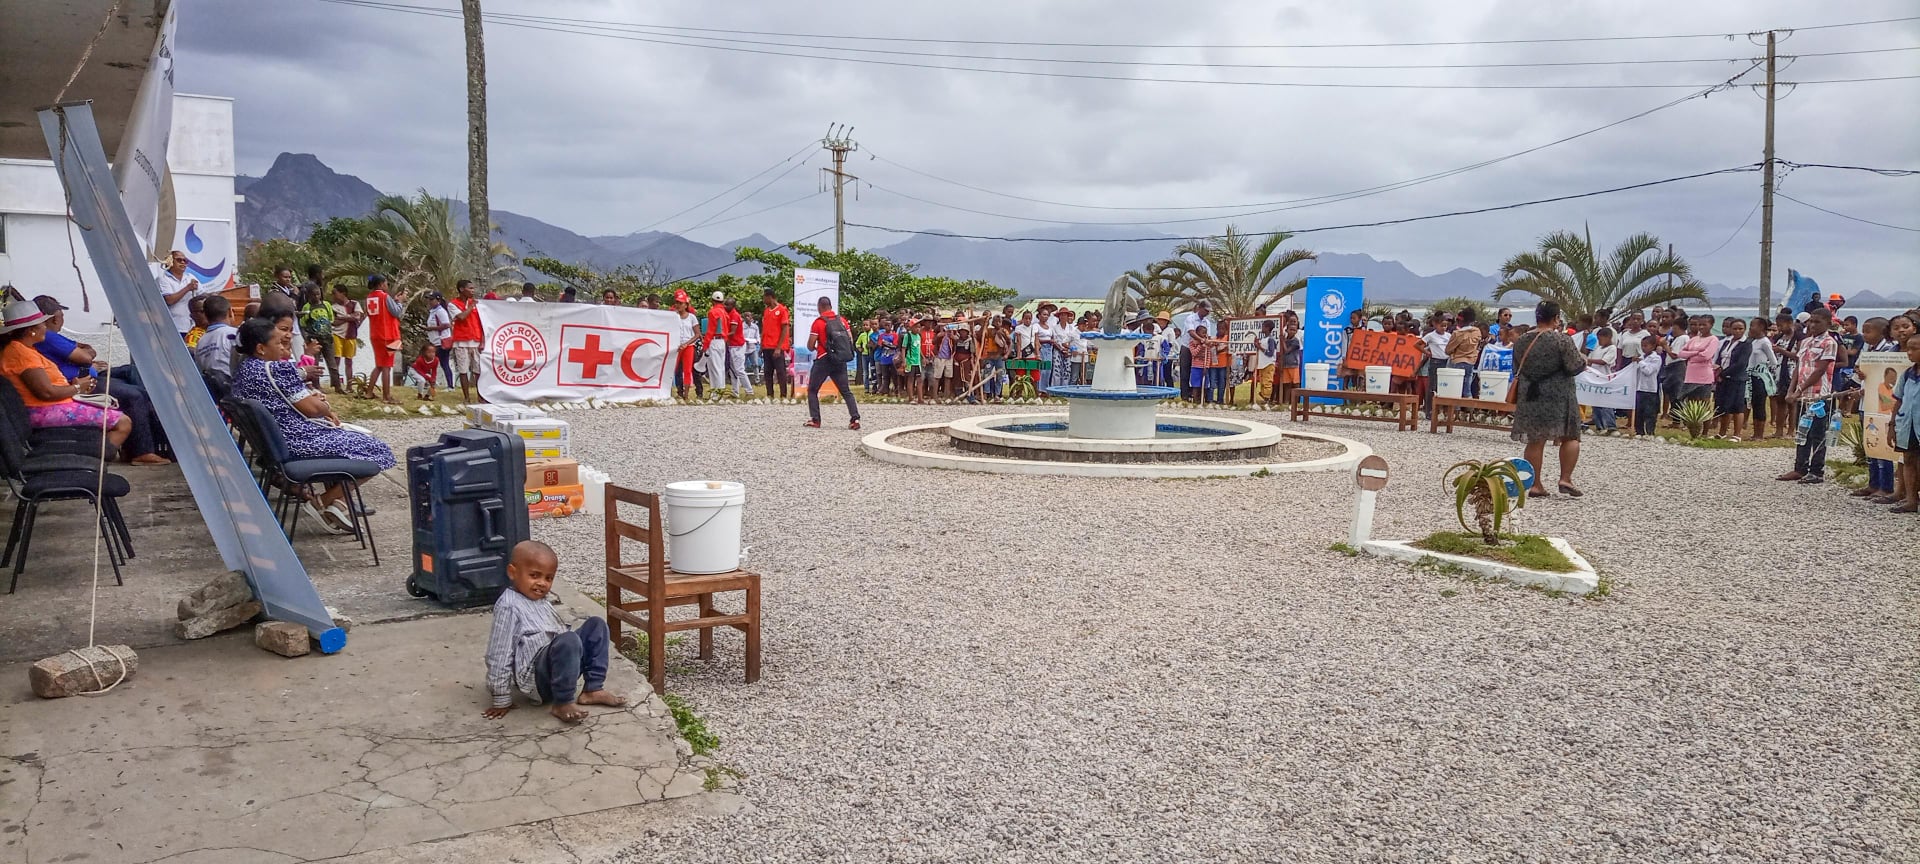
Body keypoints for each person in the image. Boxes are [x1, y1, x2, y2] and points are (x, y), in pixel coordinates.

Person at [231, 313, 396, 532]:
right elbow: (311, 409)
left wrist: (313, 403)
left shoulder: (245, 370)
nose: (283, 346)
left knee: (359, 441)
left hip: (276, 444)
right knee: (378, 450)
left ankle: (338, 504)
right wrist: (323, 405)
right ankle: (324, 501)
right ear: (261, 348)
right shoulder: (275, 369)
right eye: (278, 342)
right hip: (297, 442)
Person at [483, 540, 626, 724]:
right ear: (512, 572)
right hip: (537, 679)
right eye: (534, 575)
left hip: (560, 667)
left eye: (548, 578)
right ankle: (562, 702)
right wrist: (501, 697)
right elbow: (499, 653)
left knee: (596, 625)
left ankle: (592, 689)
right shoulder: (509, 606)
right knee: (568, 640)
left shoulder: (539, 599)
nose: (542, 583)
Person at [29, 295, 169, 464]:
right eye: (61, 316)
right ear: (52, 319)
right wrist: (87, 360)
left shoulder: (50, 336)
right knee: (134, 395)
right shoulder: (48, 336)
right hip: (77, 385)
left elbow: (85, 350)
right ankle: (141, 451)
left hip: (84, 379)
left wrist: (85, 355)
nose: (62, 320)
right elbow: (85, 357)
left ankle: (133, 449)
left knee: (134, 384)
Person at [2, 299, 135, 455]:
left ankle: (89, 461)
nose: (46, 327)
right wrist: (77, 388)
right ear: (31, 330)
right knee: (123, 423)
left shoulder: (23, 350)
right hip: (43, 410)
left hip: (49, 405)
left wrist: (75, 385)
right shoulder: (21, 354)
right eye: (42, 324)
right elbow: (46, 393)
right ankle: (91, 462)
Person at [1510, 300, 1586, 497]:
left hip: (1530, 395)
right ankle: (1565, 478)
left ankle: (1535, 484)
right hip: (1559, 395)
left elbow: (1517, 366)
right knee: (1570, 435)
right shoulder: (1562, 340)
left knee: (1535, 439)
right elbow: (1574, 366)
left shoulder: (1521, 341)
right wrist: (1584, 360)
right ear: (1555, 318)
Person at [1778, 307, 1841, 485]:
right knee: (1803, 431)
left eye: (1817, 322)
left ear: (1828, 323)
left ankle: (1816, 470)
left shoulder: (1829, 342)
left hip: (1820, 396)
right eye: (1811, 321)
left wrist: (1799, 390)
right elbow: (1799, 367)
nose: (1812, 325)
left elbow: (1820, 369)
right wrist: (1792, 390)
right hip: (1803, 395)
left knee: (1818, 433)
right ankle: (1800, 467)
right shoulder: (1805, 342)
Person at [803, 296, 861, 429]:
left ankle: (816, 420)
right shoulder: (842, 321)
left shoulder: (818, 322)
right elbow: (850, 339)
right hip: (839, 360)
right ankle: (855, 419)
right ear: (830, 306)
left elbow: (810, 345)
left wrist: (816, 347)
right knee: (846, 391)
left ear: (820, 307)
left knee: (813, 389)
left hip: (824, 359)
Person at [1886, 334, 1920, 513]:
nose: (1909, 352)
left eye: (1915, 349)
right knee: (1908, 459)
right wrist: (1892, 425)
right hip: (1907, 424)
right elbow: (1898, 400)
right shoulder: (1907, 374)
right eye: (1908, 348)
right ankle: (1911, 499)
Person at [363, 274, 407, 404]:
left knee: (379, 365)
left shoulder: (369, 298)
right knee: (387, 366)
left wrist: (394, 301)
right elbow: (396, 312)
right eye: (386, 283)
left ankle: (369, 392)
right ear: (381, 284)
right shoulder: (384, 296)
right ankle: (386, 396)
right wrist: (400, 301)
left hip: (375, 335)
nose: (387, 286)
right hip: (389, 335)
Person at [1711, 319, 1753, 440]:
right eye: (1735, 328)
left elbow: (1741, 363)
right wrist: (1718, 370)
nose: (1737, 331)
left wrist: (1723, 373)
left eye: (1740, 329)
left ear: (1745, 330)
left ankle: (1737, 434)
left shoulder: (1746, 344)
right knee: (1724, 406)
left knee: (1737, 407)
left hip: (1736, 378)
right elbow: (1720, 356)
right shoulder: (1726, 342)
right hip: (1723, 378)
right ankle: (1722, 433)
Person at [297, 281, 339, 393]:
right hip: (314, 339)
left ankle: (337, 385)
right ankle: (316, 385)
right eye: (314, 294)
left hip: (327, 338)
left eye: (318, 294)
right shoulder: (307, 307)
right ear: (309, 295)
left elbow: (331, 318)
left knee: (332, 363)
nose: (316, 296)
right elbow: (303, 323)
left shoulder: (326, 305)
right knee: (315, 363)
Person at [449, 279, 484, 403]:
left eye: (473, 288)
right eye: (470, 288)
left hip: (475, 340)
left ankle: (481, 396)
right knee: (463, 370)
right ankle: (467, 397)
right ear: (462, 289)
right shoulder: (453, 304)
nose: (473, 291)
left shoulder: (477, 304)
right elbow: (461, 317)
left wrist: (482, 341)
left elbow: (482, 323)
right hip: (461, 341)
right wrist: (471, 306)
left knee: (478, 370)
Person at [1745, 317, 1780, 441]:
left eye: (1752, 326)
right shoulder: (1754, 342)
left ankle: (1760, 433)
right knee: (1754, 403)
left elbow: (1773, 361)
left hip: (1760, 377)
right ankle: (1755, 432)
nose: (1750, 329)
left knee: (1760, 404)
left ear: (1761, 328)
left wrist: (1764, 370)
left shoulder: (1765, 342)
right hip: (1751, 376)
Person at [157, 249, 205, 339]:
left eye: (185, 261)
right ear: (170, 261)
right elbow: (169, 300)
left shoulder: (190, 277)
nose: (183, 263)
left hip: (190, 327)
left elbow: (202, 295)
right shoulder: (163, 279)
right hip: (173, 327)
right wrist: (188, 288)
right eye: (179, 260)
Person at [1673, 315, 1719, 406]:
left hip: (1704, 377)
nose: (1701, 327)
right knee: (1691, 402)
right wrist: (1696, 352)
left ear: (1711, 325)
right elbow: (1681, 353)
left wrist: (1690, 356)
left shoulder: (1713, 339)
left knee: (1704, 404)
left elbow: (1706, 356)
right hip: (1691, 375)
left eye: (1704, 325)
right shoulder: (1693, 339)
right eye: (1700, 324)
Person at [193, 295, 241, 380]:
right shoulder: (234, 334)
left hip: (211, 390)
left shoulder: (200, 343)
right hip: (233, 386)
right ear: (230, 312)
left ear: (206, 316)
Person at [329, 284, 363, 394]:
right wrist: (350, 317)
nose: (333, 296)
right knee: (337, 359)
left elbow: (358, 316)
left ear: (343, 293)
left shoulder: (354, 304)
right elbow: (333, 321)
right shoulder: (333, 307)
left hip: (351, 335)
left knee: (349, 361)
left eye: (335, 293)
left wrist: (342, 317)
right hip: (337, 335)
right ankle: (336, 385)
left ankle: (349, 385)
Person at [759, 288, 792, 399]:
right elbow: (765, 328)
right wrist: (761, 345)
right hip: (766, 346)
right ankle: (770, 394)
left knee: (780, 372)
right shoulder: (766, 310)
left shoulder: (782, 310)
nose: (763, 299)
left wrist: (779, 347)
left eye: (764, 297)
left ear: (770, 297)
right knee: (767, 372)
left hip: (776, 347)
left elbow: (785, 329)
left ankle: (783, 395)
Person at [1587, 327, 1620, 433]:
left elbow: (1604, 361)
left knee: (1606, 404)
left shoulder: (1612, 348)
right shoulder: (1597, 349)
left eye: (1601, 339)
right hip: (1595, 379)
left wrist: (1589, 360)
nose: (1600, 341)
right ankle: (1600, 426)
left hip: (1605, 378)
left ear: (1608, 337)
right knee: (1596, 404)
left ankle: (1610, 425)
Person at [701, 292, 734, 395]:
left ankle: (716, 393)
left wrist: (705, 344)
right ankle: (719, 391)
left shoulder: (713, 312)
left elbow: (711, 330)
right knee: (720, 367)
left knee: (714, 368)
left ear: (712, 301)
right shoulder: (725, 313)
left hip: (714, 341)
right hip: (722, 341)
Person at [1446, 307, 1483, 400]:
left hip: (1458, 361)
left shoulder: (1457, 333)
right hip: (1471, 362)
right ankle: (1470, 411)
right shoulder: (1477, 331)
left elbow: (1448, 350)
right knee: (1467, 388)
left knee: (1456, 389)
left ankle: (1456, 411)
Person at [1632, 335, 1664, 437]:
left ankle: (1650, 431)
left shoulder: (1656, 358)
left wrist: (1640, 362)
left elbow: (1648, 371)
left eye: (1646, 346)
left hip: (1650, 389)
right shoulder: (1642, 357)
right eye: (1642, 346)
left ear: (1653, 346)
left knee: (1649, 411)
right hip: (1639, 388)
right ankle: (1639, 431)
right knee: (1639, 411)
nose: (1643, 348)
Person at [424, 291, 456, 391]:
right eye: (429, 299)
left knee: (430, 361)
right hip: (435, 341)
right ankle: (447, 385)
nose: (429, 301)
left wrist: (431, 328)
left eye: (432, 299)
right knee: (442, 363)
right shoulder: (433, 311)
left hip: (441, 341)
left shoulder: (440, 311)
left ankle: (432, 382)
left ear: (438, 300)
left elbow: (446, 324)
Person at [672, 296, 699, 399]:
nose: (678, 305)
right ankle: (679, 391)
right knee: (675, 370)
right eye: (676, 303)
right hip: (676, 346)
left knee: (687, 370)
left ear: (686, 305)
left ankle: (686, 395)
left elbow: (697, 334)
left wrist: (687, 343)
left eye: (680, 303)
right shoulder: (674, 316)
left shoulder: (691, 317)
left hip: (688, 346)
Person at [722, 297, 749, 396]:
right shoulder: (728, 314)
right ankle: (735, 391)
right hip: (731, 345)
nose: (725, 306)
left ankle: (749, 390)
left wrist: (722, 335)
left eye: (727, 304)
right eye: (725, 304)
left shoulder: (734, 315)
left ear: (732, 306)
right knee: (733, 370)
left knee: (739, 370)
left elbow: (732, 332)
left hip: (737, 345)